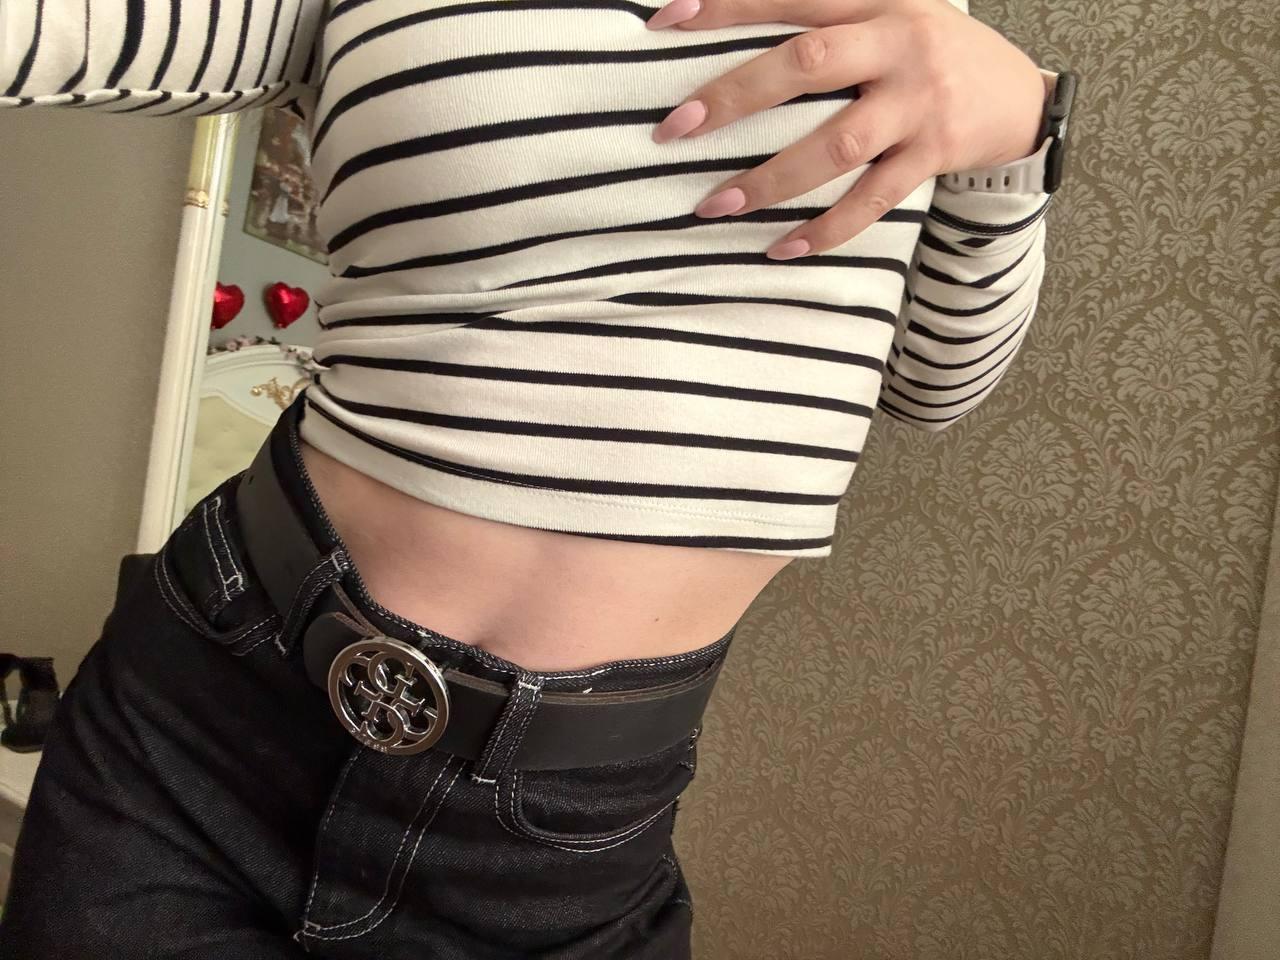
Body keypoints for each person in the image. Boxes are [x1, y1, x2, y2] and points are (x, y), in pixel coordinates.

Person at [0, 0, 1065, 955]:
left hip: (560, 844)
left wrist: (1020, 130)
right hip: (211, 716)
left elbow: (932, 381)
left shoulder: (908, 17)